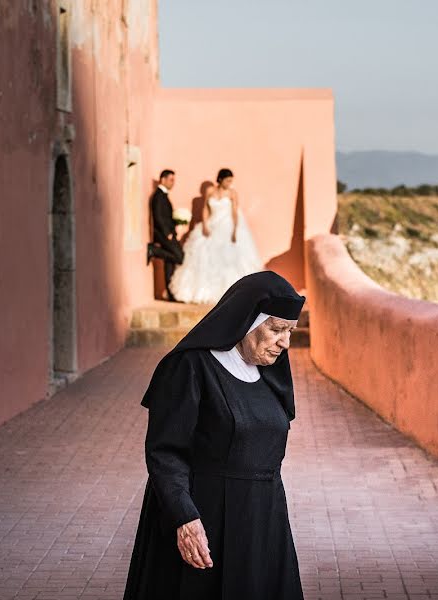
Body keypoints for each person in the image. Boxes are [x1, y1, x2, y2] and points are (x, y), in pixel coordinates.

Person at [124, 271, 305, 599]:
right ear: (247, 321)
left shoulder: (269, 373)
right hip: (206, 517)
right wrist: (184, 517)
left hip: (263, 519)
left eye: (290, 331)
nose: (285, 342)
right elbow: (165, 451)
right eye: (277, 329)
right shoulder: (192, 367)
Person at [168, 168, 262, 304]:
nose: (229, 183)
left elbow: (235, 212)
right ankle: (203, 291)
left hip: (227, 227)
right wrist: (205, 225)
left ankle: (230, 293)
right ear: (221, 179)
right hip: (211, 225)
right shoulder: (210, 191)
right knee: (203, 255)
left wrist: (235, 230)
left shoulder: (232, 193)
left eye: (231, 181)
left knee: (227, 259)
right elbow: (205, 208)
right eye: (228, 180)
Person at [147, 169, 184, 301]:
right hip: (164, 235)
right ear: (163, 179)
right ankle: (154, 250)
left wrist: (179, 221)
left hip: (168, 233)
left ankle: (170, 293)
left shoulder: (164, 195)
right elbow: (158, 216)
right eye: (171, 179)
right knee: (179, 257)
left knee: (170, 262)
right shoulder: (158, 195)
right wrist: (167, 233)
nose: (173, 183)